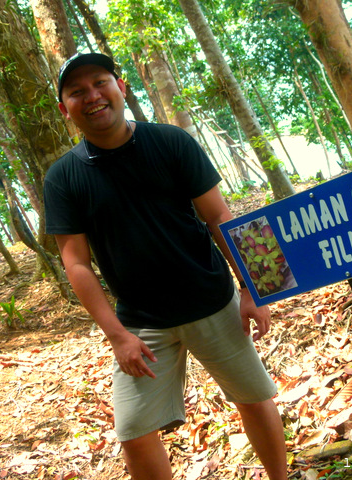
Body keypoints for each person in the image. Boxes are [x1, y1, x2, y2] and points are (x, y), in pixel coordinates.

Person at [43, 52, 288, 480]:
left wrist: (254, 289)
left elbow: (221, 217)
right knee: (134, 432)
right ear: (65, 109)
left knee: (253, 398)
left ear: (122, 87)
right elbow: (76, 263)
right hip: (141, 323)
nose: (93, 96)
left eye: (100, 83)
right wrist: (117, 336)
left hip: (211, 301)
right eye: (77, 92)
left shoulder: (171, 142)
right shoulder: (63, 177)